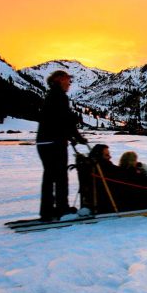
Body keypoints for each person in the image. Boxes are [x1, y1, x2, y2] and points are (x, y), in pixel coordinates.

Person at [36, 70, 87, 221]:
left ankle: (47, 211)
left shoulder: (51, 96)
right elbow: (65, 120)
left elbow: (57, 120)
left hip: (44, 141)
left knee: (49, 176)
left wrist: (71, 136)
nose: (69, 83)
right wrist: (77, 136)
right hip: (54, 143)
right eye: (67, 80)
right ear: (59, 80)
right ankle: (62, 210)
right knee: (60, 176)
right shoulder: (59, 97)